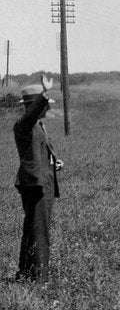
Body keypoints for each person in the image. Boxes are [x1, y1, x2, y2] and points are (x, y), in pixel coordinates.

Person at [14, 75, 62, 282]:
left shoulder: (37, 126)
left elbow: (40, 150)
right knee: (38, 230)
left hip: (42, 182)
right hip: (35, 185)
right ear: (34, 105)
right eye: (44, 105)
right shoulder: (24, 124)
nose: (48, 109)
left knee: (34, 228)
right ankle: (37, 277)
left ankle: (26, 272)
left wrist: (54, 161)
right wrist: (44, 93)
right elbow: (32, 114)